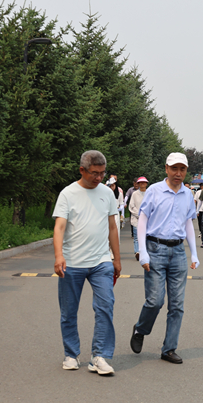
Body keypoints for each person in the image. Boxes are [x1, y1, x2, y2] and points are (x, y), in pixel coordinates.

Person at [52, 150, 121, 375]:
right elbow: (59, 227)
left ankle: (99, 356)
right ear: (82, 170)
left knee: (105, 306)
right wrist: (59, 256)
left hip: (101, 261)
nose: (99, 177)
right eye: (94, 173)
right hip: (72, 263)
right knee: (69, 311)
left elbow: (112, 227)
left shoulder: (107, 193)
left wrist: (116, 258)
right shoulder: (68, 194)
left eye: (102, 173)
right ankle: (71, 354)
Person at [130, 153, 199, 364]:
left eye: (182, 169)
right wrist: (143, 251)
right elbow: (143, 220)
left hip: (178, 251)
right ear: (166, 169)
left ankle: (169, 349)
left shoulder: (187, 194)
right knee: (155, 301)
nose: (178, 173)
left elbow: (188, 223)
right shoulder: (154, 190)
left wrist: (194, 253)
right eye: (174, 168)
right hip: (155, 248)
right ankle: (140, 329)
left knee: (177, 305)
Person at [128, 177, 149, 261]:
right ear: (138, 184)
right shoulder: (135, 194)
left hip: (147, 219)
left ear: (146, 183)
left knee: (146, 237)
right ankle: (137, 252)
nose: (142, 184)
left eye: (144, 182)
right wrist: (139, 214)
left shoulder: (149, 193)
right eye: (140, 182)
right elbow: (131, 206)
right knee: (137, 237)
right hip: (136, 219)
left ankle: (145, 252)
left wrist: (146, 215)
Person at [106, 177, 121, 243]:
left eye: (113, 185)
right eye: (110, 186)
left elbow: (122, 204)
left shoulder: (119, 194)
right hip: (106, 214)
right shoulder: (105, 194)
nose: (111, 187)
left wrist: (121, 213)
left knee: (115, 230)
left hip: (115, 214)